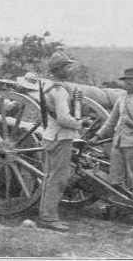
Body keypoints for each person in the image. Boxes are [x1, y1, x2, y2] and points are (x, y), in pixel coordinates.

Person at [38, 51, 86, 232]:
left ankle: (45, 214)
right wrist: (80, 124)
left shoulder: (48, 86)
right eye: (67, 66)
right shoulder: (59, 92)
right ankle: (49, 218)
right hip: (61, 137)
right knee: (58, 178)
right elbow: (64, 118)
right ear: (58, 70)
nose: (70, 69)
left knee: (49, 177)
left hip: (50, 136)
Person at [91, 68, 133, 197]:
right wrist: (97, 136)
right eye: (126, 79)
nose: (128, 82)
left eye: (131, 79)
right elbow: (111, 121)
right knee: (115, 176)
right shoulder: (122, 98)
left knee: (132, 177)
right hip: (117, 143)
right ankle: (116, 204)